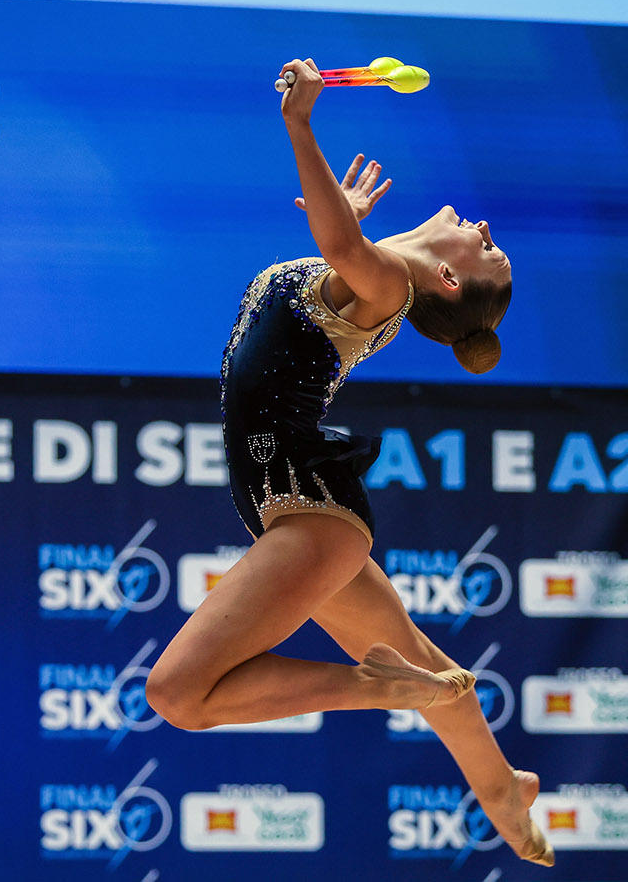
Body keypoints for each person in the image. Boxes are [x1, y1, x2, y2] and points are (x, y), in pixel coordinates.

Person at [144, 58, 552, 867]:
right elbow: (340, 245)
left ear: (444, 279)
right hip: (305, 513)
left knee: (177, 695)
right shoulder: (370, 274)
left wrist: (301, 125)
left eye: (485, 249)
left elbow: (339, 246)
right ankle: (502, 786)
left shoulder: (388, 287)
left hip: (307, 513)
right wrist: (348, 221)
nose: (480, 230)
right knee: (427, 662)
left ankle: (373, 689)